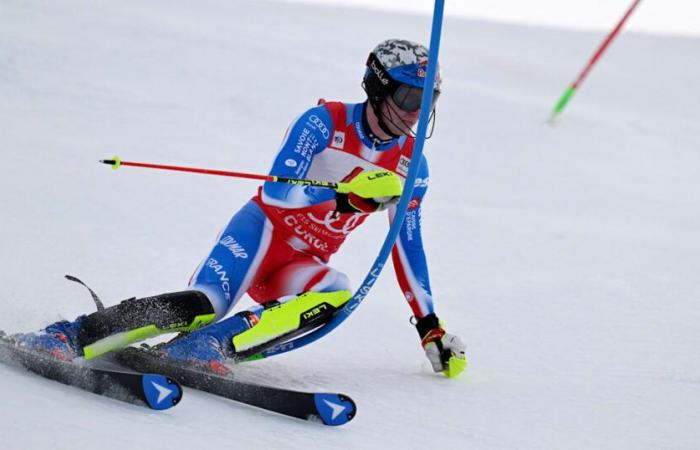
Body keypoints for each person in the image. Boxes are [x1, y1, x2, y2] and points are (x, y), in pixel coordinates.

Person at [12, 39, 467, 378]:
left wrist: (429, 325)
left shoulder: (413, 166)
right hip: (261, 235)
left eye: (428, 101)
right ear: (379, 88)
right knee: (206, 302)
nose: (415, 113)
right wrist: (344, 195)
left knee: (337, 290)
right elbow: (276, 194)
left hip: (303, 262)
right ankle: (68, 336)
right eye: (409, 97)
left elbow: (407, 247)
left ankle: (205, 348)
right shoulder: (322, 123)